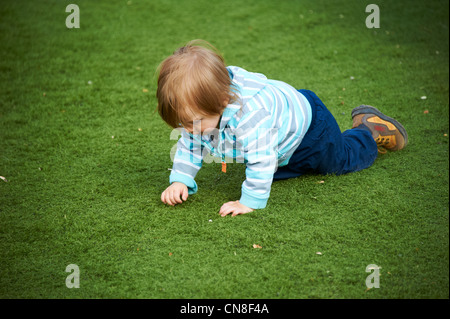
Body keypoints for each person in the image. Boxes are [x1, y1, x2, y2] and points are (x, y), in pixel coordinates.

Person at [156, 40, 408, 217]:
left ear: (222, 102)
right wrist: (180, 179)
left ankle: (368, 130)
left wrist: (249, 203)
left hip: (310, 129)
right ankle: (292, 159)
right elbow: (191, 144)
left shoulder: (249, 117)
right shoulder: (204, 109)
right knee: (277, 170)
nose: (190, 129)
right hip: (280, 129)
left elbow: (263, 159)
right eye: (183, 124)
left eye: (193, 122)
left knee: (337, 161)